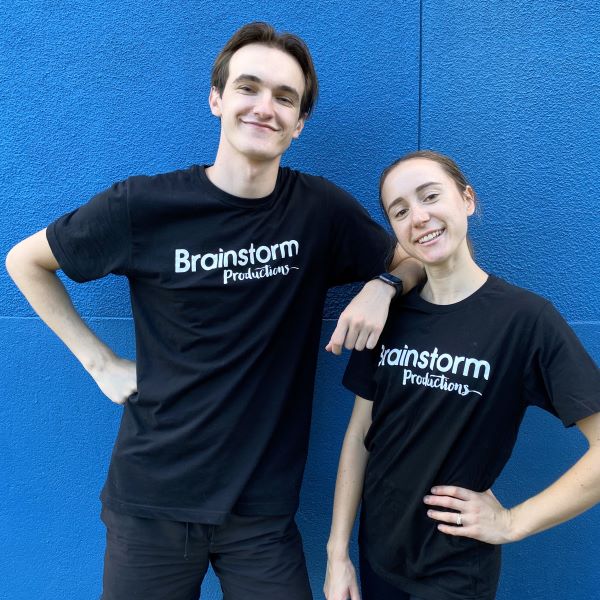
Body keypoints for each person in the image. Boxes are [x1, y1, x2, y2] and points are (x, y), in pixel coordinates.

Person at [5, 22, 423, 600]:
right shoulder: (145, 206)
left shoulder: (318, 211)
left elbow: (414, 258)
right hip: (152, 502)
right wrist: (99, 362)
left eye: (285, 98)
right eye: (248, 88)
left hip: (262, 516)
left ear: (299, 123)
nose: (264, 108)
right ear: (217, 98)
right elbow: (25, 262)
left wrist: (382, 284)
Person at [324, 150, 600, 600]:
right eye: (400, 210)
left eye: (430, 196)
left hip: (455, 574)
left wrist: (514, 522)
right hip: (378, 562)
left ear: (467, 200)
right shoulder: (388, 314)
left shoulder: (525, 320)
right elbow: (360, 436)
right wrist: (337, 554)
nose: (419, 217)